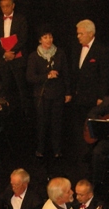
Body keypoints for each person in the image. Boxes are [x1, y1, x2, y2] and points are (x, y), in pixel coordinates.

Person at [26, 28, 71, 158]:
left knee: (57, 122)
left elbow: (66, 74)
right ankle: (40, 149)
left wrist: (68, 92)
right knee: (42, 123)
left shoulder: (60, 53)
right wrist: (47, 76)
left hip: (57, 94)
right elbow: (30, 77)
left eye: (50, 37)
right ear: (40, 40)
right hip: (41, 95)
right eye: (45, 37)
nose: (49, 40)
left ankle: (57, 149)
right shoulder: (34, 56)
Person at [0, 0, 29, 116]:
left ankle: (25, 114)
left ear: (13, 6)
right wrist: (5, 53)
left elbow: (23, 38)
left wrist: (12, 52)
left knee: (21, 88)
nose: (5, 9)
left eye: (7, 6)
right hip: (3, 59)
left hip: (18, 59)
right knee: (6, 88)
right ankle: (9, 114)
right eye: (2, 7)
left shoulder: (21, 19)